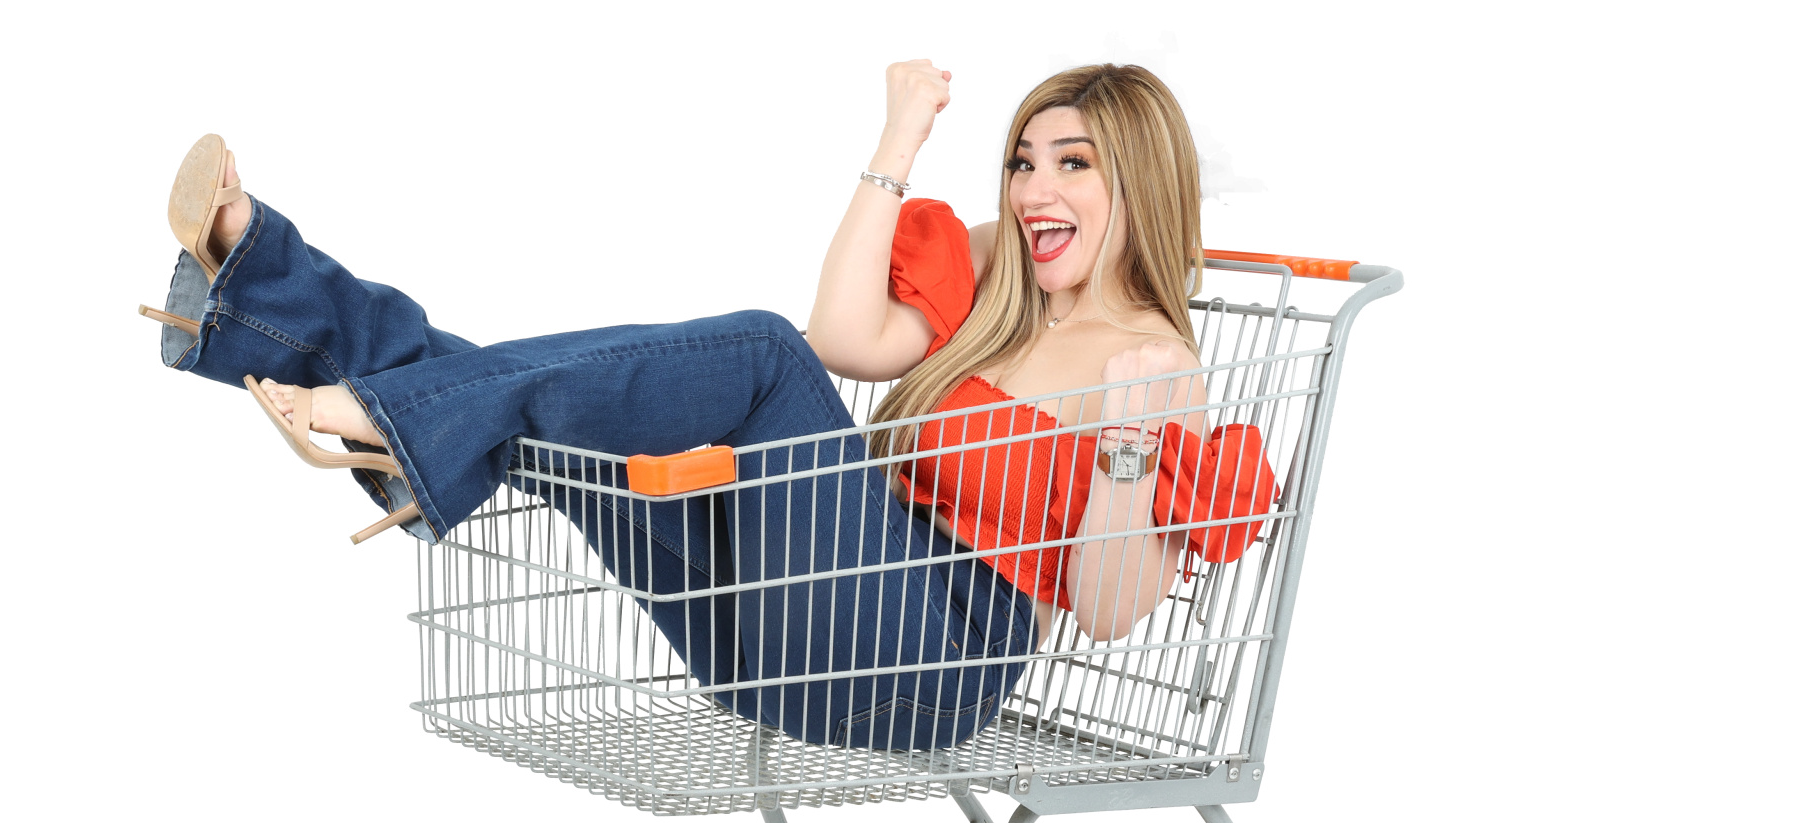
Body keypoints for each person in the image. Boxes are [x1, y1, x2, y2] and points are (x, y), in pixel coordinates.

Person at [141, 62, 1265, 752]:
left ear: (1138, 180)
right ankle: (265, 296)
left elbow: (1109, 610)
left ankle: (362, 388)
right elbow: (844, 338)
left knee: (760, 357)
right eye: (1022, 163)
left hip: (929, 656)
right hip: (789, 625)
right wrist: (896, 143)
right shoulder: (995, 278)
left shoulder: (1156, 363)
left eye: (1072, 164)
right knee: (571, 432)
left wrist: (1126, 444)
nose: (1033, 190)